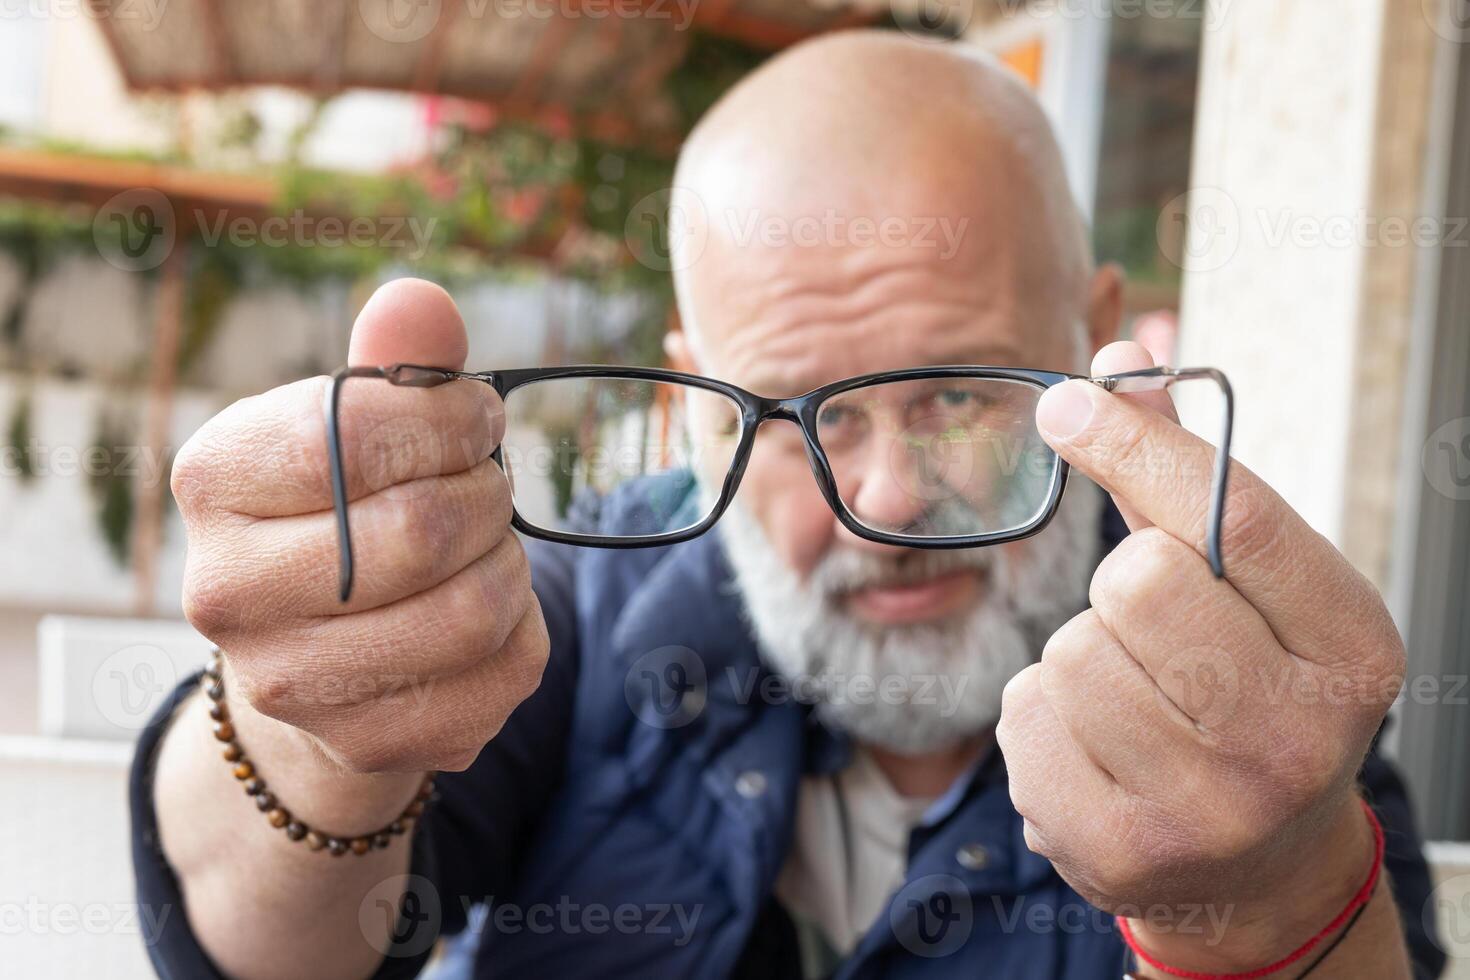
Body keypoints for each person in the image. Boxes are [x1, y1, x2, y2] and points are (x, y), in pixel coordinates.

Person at [131, 30, 1442, 980]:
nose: (880, 500)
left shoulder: (1236, 702)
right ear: (699, 393)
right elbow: (262, 958)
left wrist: (1269, 905)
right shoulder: (565, 610)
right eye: (798, 413)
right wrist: (306, 726)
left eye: (956, 396)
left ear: (1096, 336)